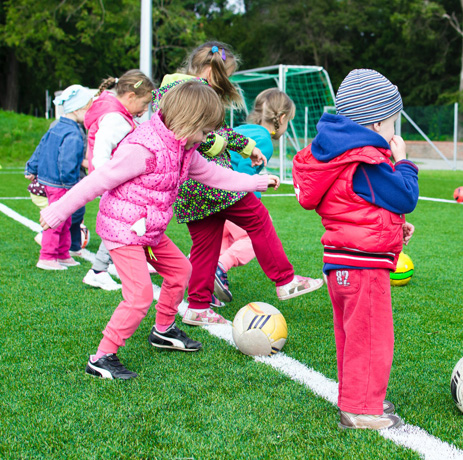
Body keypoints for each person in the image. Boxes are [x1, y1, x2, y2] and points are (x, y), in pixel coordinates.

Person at [38, 81, 280, 379]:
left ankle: (163, 330)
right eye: (205, 132)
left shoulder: (184, 147)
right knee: (139, 296)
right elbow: (97, 181)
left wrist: (255, 182)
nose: (207, 139)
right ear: (188, 121)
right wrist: (58, 211)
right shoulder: (143, 149)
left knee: (181, 271)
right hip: (123, 230)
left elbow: (213, 175)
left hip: (149, 230)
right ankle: (101, 357)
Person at [152, 41, 323, 327]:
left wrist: (248, 148)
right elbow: (200, 136)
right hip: (211, 182)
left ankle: (197, 306)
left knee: (206, 244)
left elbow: (219, 130)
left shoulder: (174, 88)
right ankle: (285, 280)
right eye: (225, 75)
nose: (226, 82)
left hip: (190, 189)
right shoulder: (190, 92)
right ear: (210, 70)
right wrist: (224, 148)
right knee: (257, 218)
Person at [292, 69, 419, 430]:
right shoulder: (365, 160)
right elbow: (405, 194)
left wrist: (395, 228)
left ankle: (357, 396)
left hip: (342, 263)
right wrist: (404, 161)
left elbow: (357, 206)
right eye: (393, 123)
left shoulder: (339, 156)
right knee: (371, 337)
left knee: (353, 336)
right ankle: (361, 409)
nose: (395, 132)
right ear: (377, 122)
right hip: (363, 268)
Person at [213, 88, 296, 306]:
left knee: (220, 240)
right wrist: (253, 201)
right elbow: (244, 170)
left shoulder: (242, 129)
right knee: (252, 238)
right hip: (231, 196)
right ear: (282, 118)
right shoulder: (264, 141)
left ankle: (206, 284)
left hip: (211, 193)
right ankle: (220, 267)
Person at [82, 69, 155, 291]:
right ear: (130, 97)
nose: (144, 111)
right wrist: (109, 180)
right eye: (144, 104)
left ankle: (109, 266)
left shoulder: (118, 114)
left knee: (128, 222)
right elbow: (102, 154)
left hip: (116, 181)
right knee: (121, 224)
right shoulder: (115, 119)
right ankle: (98, 270)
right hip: (114, 183)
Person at [25, 84, 94, 271]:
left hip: (51, 181)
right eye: (88, 108)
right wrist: (72, 186)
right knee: (57, 220)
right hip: (61, 184)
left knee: (66, 219)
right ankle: (47, 257)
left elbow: (41, 146)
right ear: (79, 109)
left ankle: (63, 254)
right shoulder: (73, 133)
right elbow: (67, 162)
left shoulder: (57, 126)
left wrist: (31, 167)